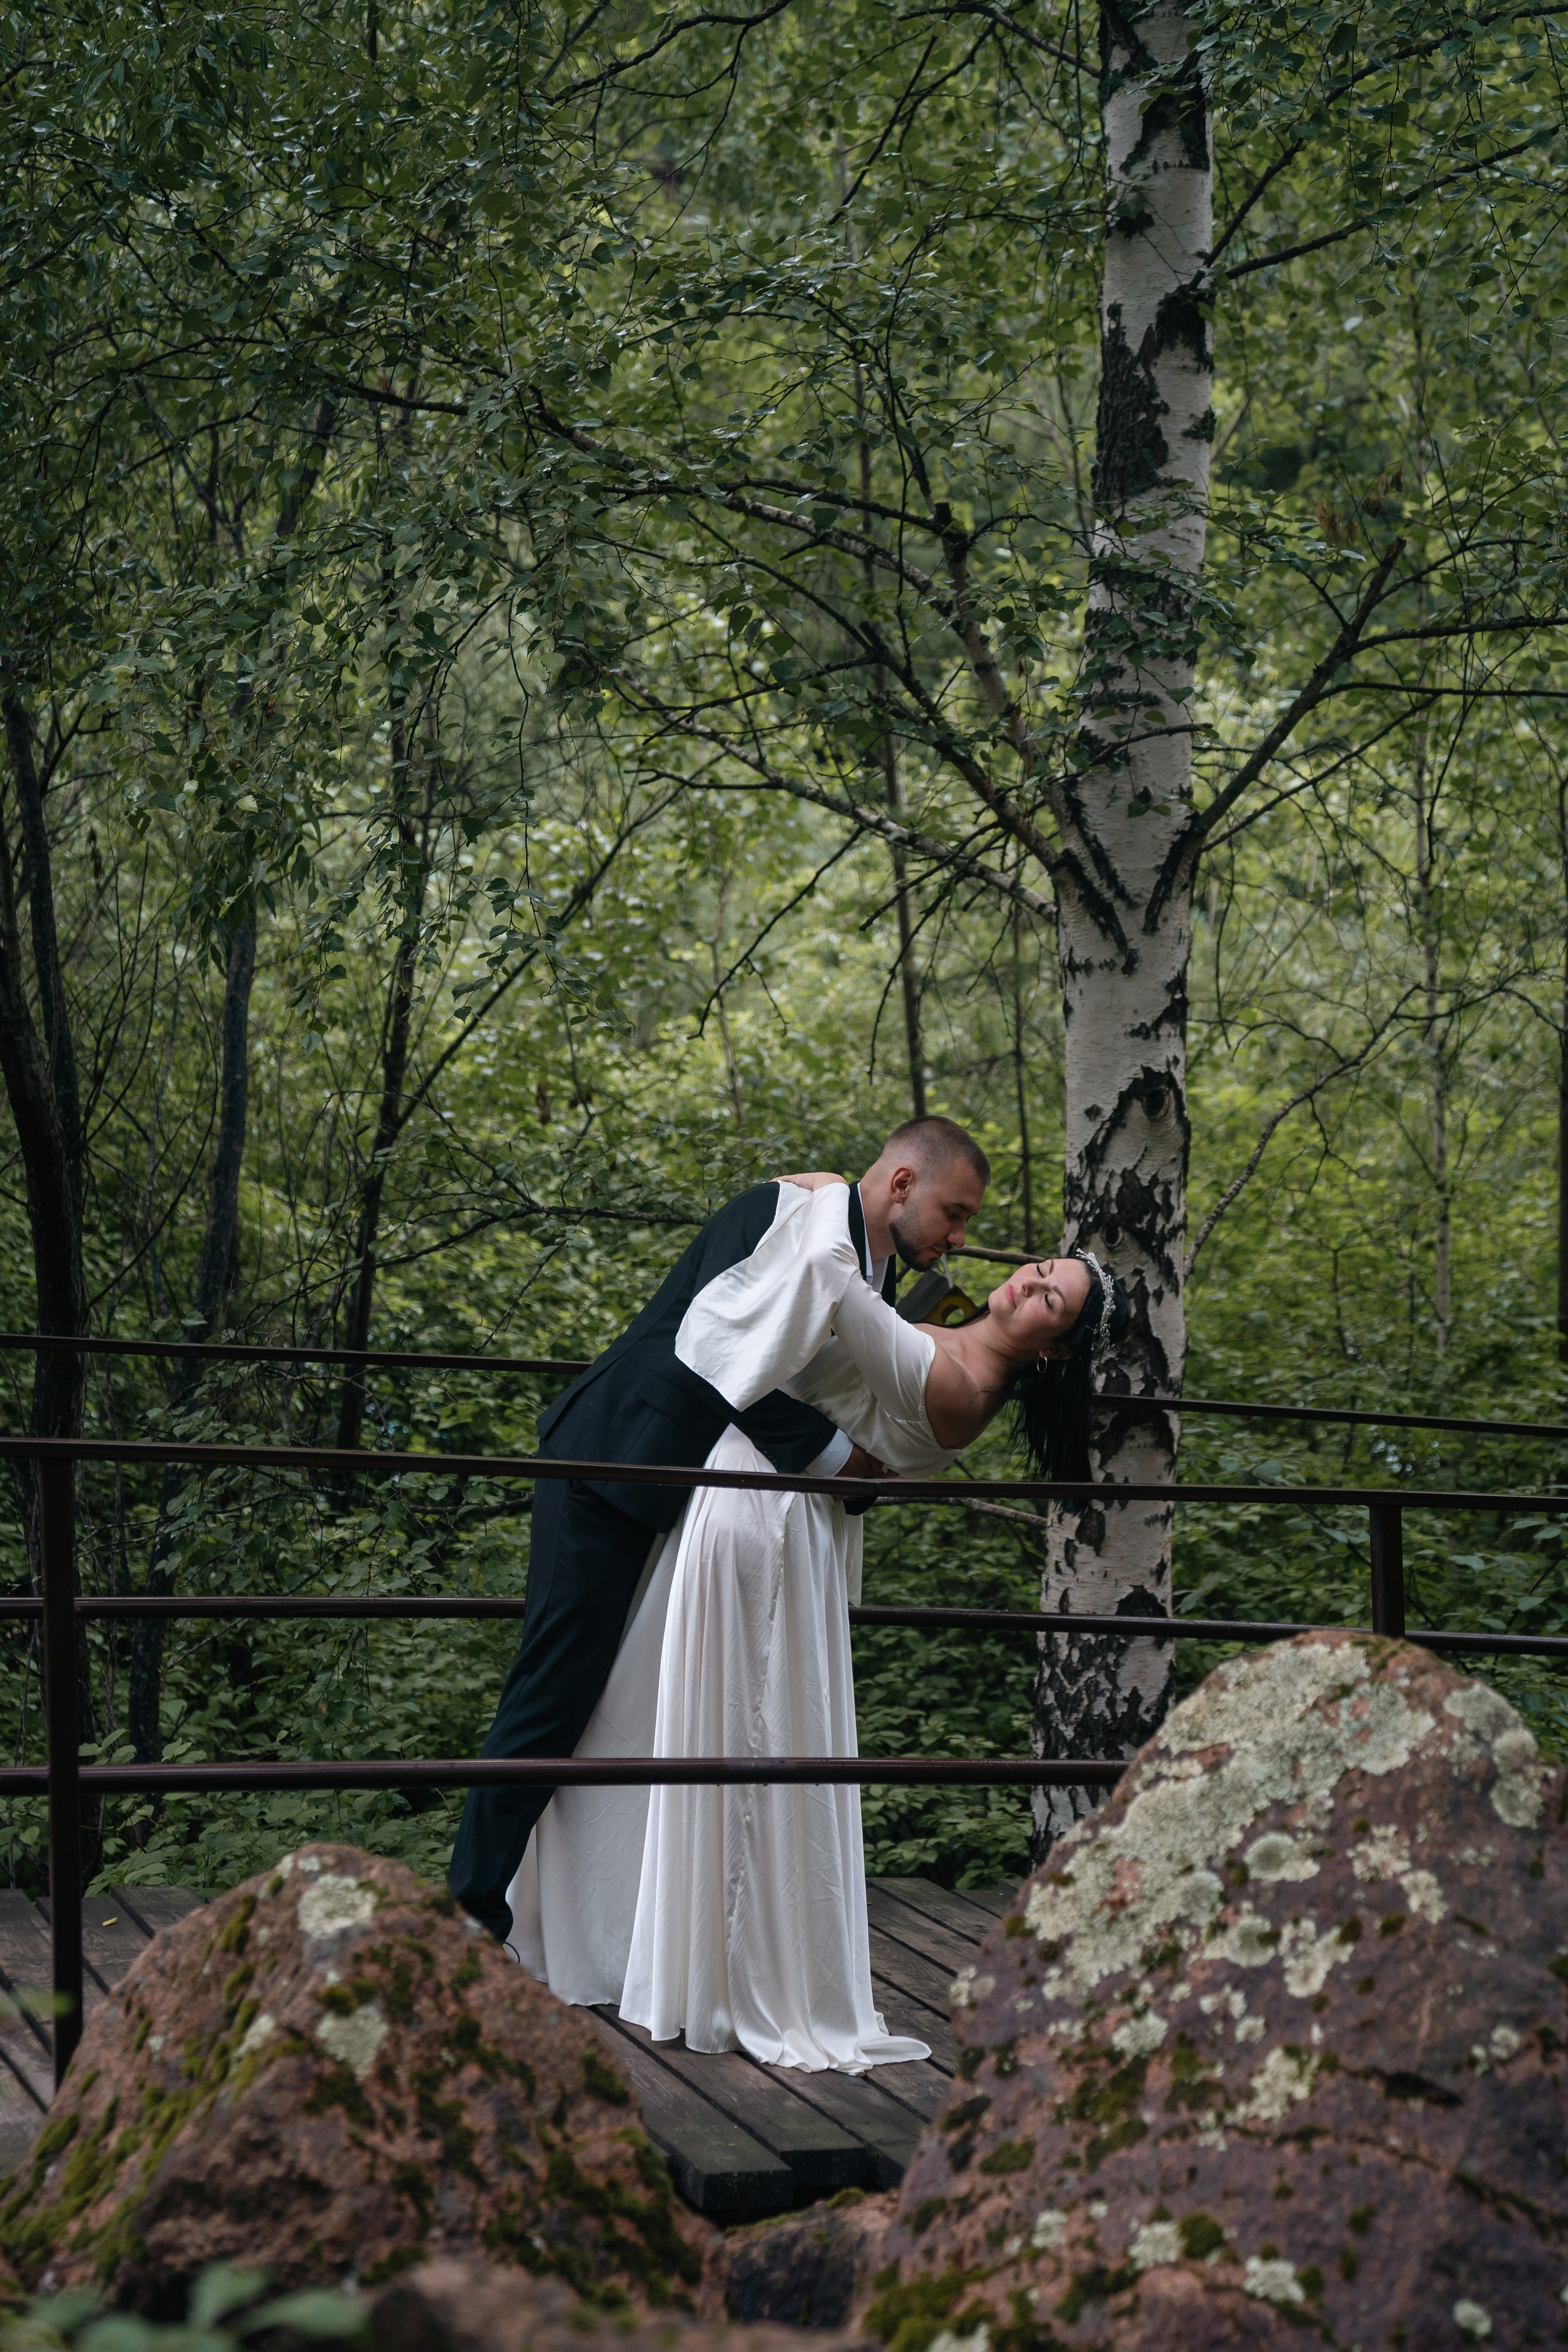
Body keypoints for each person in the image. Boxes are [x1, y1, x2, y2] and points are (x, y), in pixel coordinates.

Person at [510, 1161, 1128, 2076]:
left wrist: (825, 1195)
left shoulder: (963, 1385)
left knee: (724, 1730)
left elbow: (832, 1292)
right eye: (1042, 1269)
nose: (1029, 1282)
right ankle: (647, 1940)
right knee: (662, 1717)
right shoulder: (954, 1341)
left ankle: (714, 1963)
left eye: (1051, 1301)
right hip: (774, 1513)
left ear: (1054, 1351)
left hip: (773, 1523)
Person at [448, 1115, 988, 1945]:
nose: (957, 1238)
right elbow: (726, 1360)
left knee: (611, 1704)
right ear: (904, 1184)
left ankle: (572, 1922)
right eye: (954, 1212)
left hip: (670, 1485)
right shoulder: (805, 1226)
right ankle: (469, 1913)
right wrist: (840, 1461)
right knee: (555, 1687)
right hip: (614, 1455)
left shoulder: (863, 1263)